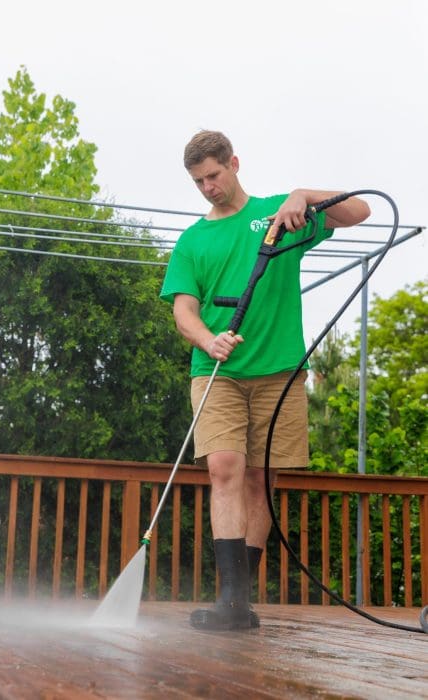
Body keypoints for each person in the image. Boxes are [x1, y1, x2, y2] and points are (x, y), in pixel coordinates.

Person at [160, 130, 370, 631]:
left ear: (234, 163)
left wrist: (303, 195)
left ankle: (240, 602)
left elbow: (360, 211)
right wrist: (208, 340)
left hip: (279, 372)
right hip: (218, 372)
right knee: (225, 469)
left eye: (213, 175)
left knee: (261, 481)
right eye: (198, 182)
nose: (208, 187)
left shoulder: (279, 216)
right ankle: (229, 600)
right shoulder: (193, 240)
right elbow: (183, 312)